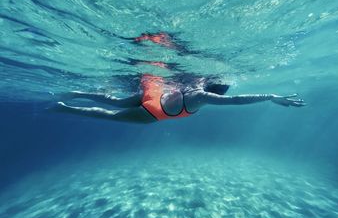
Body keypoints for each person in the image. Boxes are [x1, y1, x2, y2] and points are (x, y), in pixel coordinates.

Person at [55, 74, 305, 124]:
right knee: (110, 114)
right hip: (153, 113)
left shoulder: (192, 86)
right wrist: (270, 96)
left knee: (114, 100)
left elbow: (235, 98)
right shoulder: (201, 97)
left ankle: (79, 93)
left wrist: (270, 95)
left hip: (155, 93)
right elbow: (236, 101)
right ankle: (66, 109)